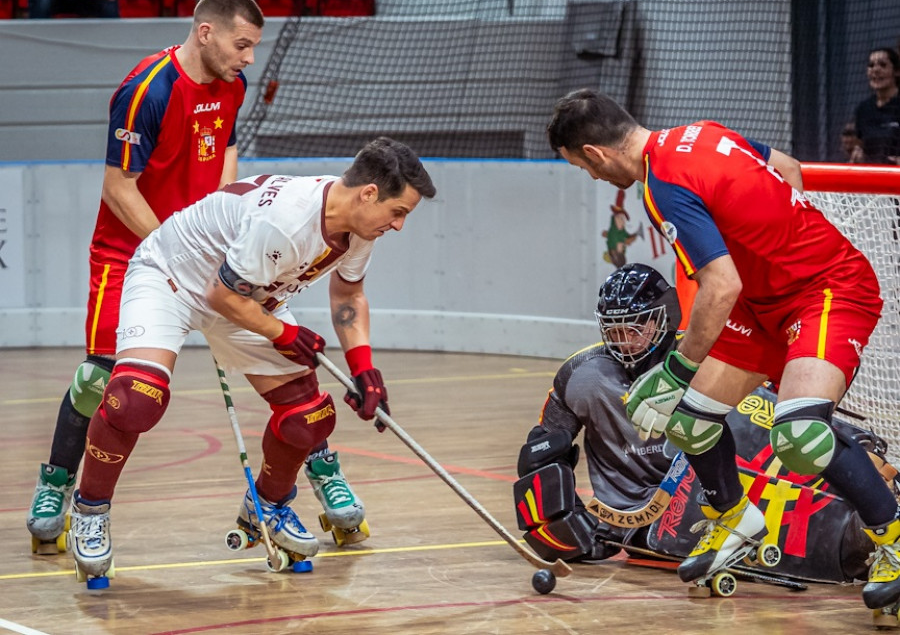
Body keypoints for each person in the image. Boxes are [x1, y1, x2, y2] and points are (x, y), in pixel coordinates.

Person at [546, 89, 900, 617]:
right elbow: (788, 168)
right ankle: (735, 519)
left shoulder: (662, 186)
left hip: (827, 289)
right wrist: (776, 246)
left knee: (799, 436)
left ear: (595, 153)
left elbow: (719, 287)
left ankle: (892, 535)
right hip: (762, 304)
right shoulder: (704, 133)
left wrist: (676, 368)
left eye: (582, 167)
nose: (593, 178)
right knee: (689, 423)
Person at [67, 137, 436, 581]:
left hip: (246, 292)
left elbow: (348, 292)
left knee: (310, 415)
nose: (398, 226)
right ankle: (89, 509)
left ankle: (268, 507)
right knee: (136, 397)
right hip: (173, 277)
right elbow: (219, 295)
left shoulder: (358, 227)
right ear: (369, 193)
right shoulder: (287, 221)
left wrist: (364, 367)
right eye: (399, 212)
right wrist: (284, 332)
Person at [25, 0, 264, 553]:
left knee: (272, 354)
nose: (249, 57)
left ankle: (308, 485)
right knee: (99, 377)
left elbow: (227, 148)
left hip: (199, 251)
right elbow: (117, 187)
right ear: (206, 32)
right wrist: (171, 246)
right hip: (127, 251)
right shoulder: (146, 90)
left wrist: (223, 217)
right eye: (242, 44)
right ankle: (57, 482)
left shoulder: (234, 85)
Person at [514, 263, 884, 584]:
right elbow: (542, 452)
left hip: (718, 486)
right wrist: (560, 526)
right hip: (647, 524)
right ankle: (861, 545)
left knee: (763, 423)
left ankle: (875, 492)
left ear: (665, 316)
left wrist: (852, 443)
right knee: (834, 540)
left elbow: (765, 413)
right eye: (614, 331)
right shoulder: (582, 374)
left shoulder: (705, 359)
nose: (623, 342)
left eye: (634, 329)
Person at [852, 47, 900, 164]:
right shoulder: (863, 109)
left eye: (883, 65)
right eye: (871, 65)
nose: (876, 70)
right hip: (872, 177)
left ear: (897, 71)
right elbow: (859, 146)